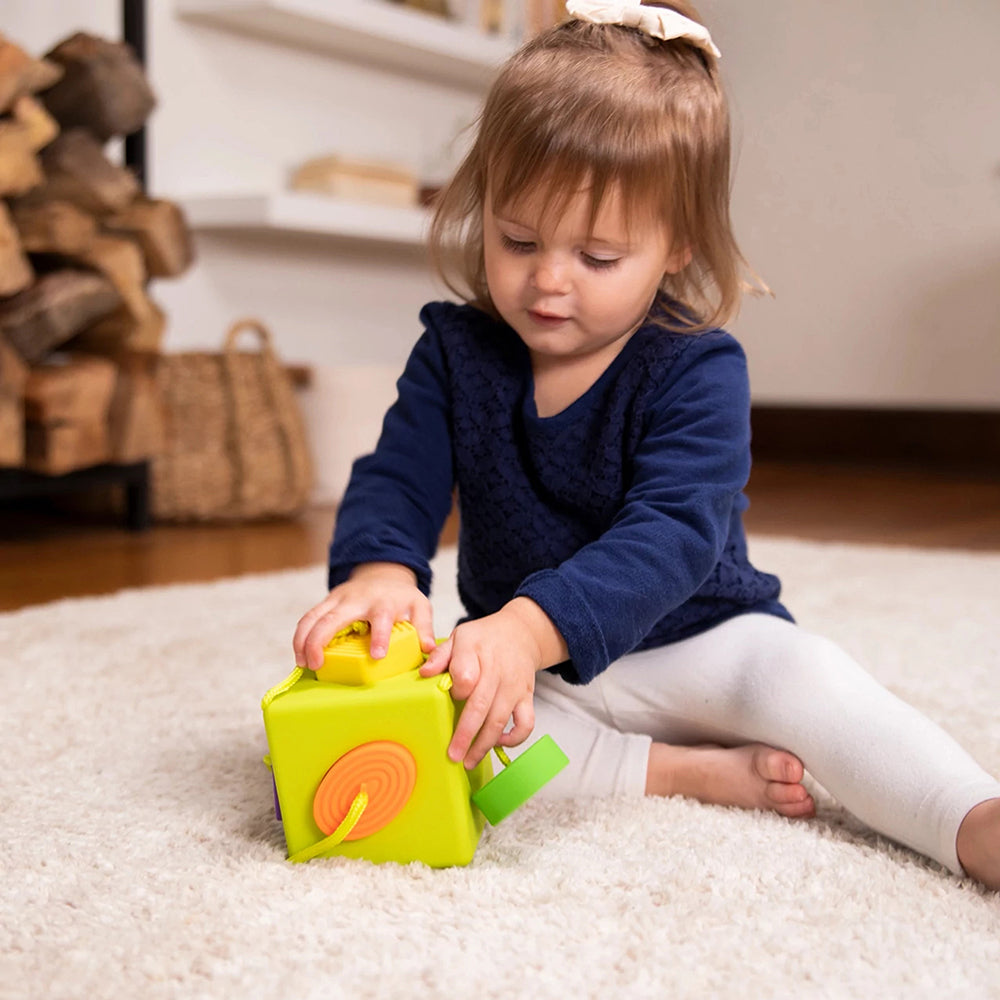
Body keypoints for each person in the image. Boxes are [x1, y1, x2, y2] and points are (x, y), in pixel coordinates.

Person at [293, 1, 1000, 887]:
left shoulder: (698, 368)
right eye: (518, 240)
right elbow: (397, 479)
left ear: (677, 248)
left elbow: (670, 537)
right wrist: (381, 574)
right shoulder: (454, 351)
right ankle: (678, 774)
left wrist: (525, 628)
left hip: (701, 643)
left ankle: (966, 815)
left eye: (597, 258)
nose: (549, 280)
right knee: (458, 748)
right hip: (535, 670)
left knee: (809, 680)